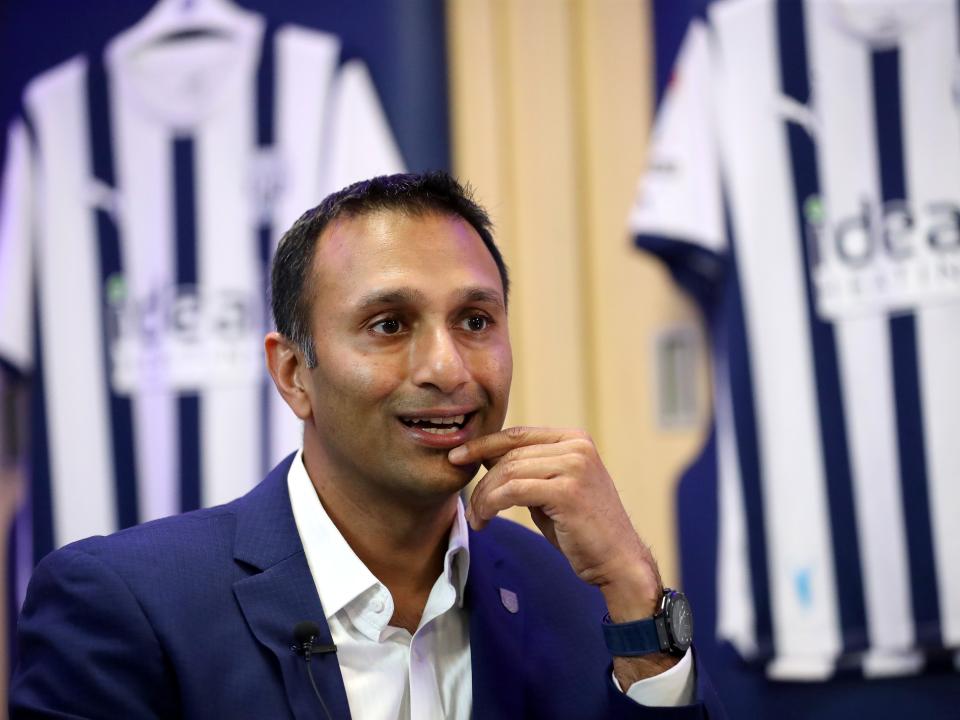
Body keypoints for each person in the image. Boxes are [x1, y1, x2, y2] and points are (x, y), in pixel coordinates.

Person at [10, 172, 723, 718]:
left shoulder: (567, 591)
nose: (447, 368)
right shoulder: (124, 603)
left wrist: (635, 590)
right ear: (294, 374)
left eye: (475, 321)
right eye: (389, 324)